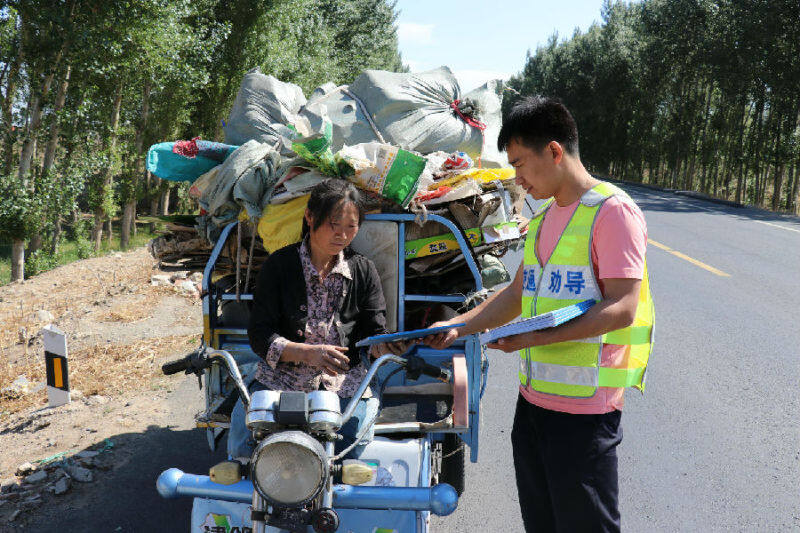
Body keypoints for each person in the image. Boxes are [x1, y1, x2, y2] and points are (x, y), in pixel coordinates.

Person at [425, 96, 654, 532]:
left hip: (584, 413)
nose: (517, 179)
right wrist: (459, 327)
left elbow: (623, 307)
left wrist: (531, 339)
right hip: (533, 406)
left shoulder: (613, 212)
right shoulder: (547, 217)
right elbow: (517, 293)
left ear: (554, 151)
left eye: (520, 164)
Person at [228, 179, 405, 460]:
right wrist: (306, 353)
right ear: (310, 217)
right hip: (280, 380)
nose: (343, 235)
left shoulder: (363, 270)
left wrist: (386, 346)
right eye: (334, 224)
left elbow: (374, 331)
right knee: (243, 445)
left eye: (351, 226)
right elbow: (260, 334)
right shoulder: (279, 266)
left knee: (352, 450)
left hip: (344, 384)